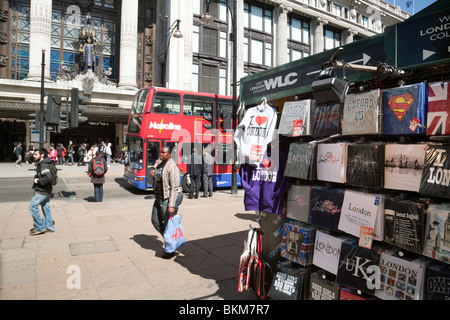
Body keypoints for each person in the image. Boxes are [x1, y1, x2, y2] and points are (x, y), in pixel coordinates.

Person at [149, 145, 183, 259]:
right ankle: (170, 241)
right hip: (159, 197)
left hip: (168, 199)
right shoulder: (160, 163)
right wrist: (154, 175)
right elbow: (160, 179)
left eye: (163, 153)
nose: (161, 154)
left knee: (169, 226)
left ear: (169, 154)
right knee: (155, 221)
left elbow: (174, 187)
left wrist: (171, 205)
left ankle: (170, 249)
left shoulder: (172, 166)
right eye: (160, 152)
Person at [29, 148, 55, 236]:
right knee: (45, 208)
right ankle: (49, 227)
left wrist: (38, 181)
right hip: (47, 190)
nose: (34, 155)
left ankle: (40, 227)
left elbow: (48, 177)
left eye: (36, 154)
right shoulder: (47, 162)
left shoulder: (43, 165)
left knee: (33, 207)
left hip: (42, 191)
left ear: (42, 155)